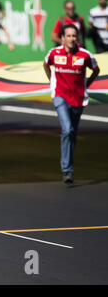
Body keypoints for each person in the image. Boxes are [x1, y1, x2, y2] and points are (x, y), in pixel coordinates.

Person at [43, 24, 100, 184]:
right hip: (60, 96)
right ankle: (67, 170)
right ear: (62, 38)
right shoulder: (54, 53)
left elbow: (96, 70)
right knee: (67, 129)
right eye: (68, 36)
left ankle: (68, 166)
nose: (71, 39)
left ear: (78, 37)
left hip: (79, 98)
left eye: (74, 36)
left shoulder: (85, 55)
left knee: (72, 133)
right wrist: (52, 82)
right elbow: (46, 64)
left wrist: (86, 84)